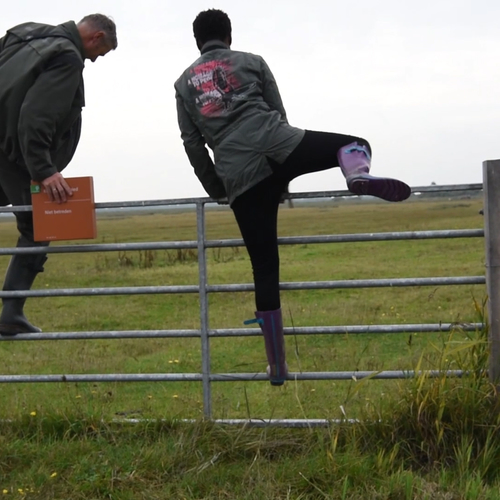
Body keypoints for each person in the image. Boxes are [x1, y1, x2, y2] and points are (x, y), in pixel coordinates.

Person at [174, 9, 411, 386]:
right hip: (279, 145)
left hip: (240, 175)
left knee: (265, 269)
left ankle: (277, 365)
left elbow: (192, 144)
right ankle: (355, 175)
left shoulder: (183, 83)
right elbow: (277, 111)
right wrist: (285, 163)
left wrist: (218, 188)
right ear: (229, 36)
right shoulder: (252, 62)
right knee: (353, 143)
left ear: (196, 40)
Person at [0, 14, 117, 336]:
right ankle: (11, 314)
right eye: (100, 53)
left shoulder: (27, 33)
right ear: (95, 38)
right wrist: (44, 170)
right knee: (38, 226)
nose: (94, 59)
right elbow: (37, 114)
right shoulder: (67, 56)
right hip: (13, 151)